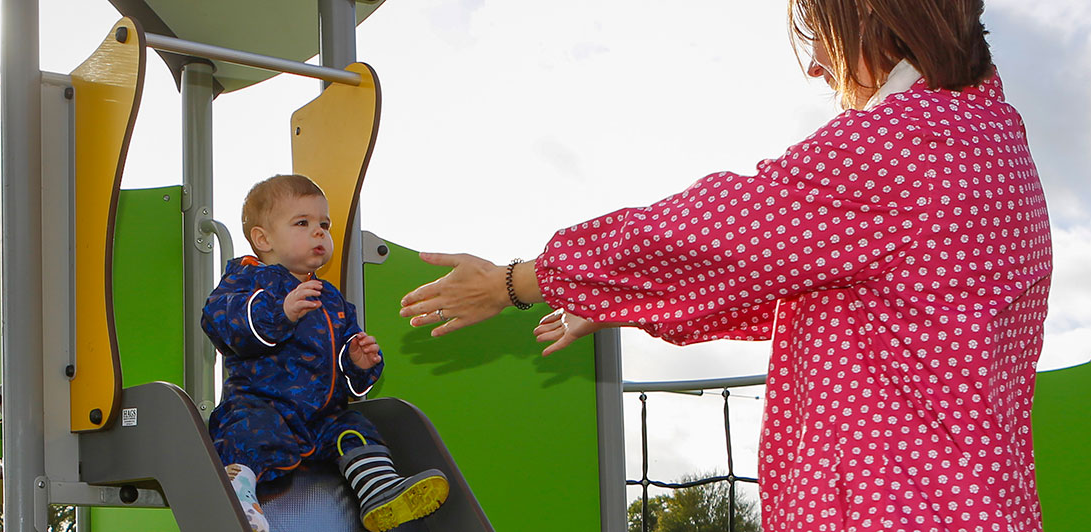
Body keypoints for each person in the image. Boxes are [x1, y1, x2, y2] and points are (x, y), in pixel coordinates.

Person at [398, 1, 1050, 530]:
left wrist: (518, 281)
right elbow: (857, 303)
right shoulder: (991, 140)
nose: (819, 66)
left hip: (896, 507)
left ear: (871, 12)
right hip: (980, 503)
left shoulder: (904, 143)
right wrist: (619, 302)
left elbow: (717, 231)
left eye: (819, 34)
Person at [203, 174, 450, 532]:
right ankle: (240, 500)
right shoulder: (248, 279)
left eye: (324, 224)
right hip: (263, 404)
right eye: (302, 223)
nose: (319, 232)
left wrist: (357, 362)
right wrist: (280, 313)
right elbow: (219, 321)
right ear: (263, 238)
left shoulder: (330, 298)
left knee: (355, 428)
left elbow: (345, 369)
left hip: (320, 416)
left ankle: (378, 493)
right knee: (247, 433)